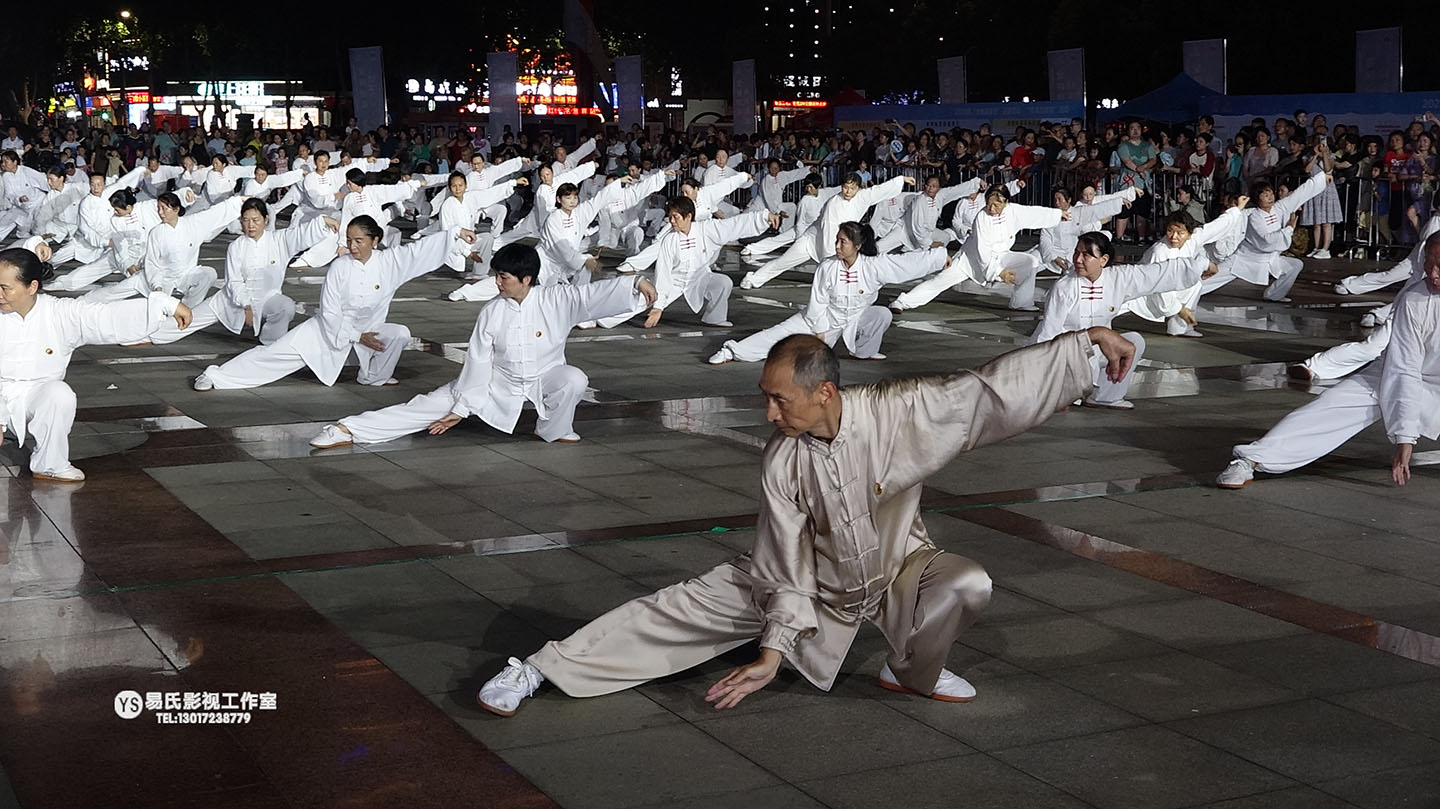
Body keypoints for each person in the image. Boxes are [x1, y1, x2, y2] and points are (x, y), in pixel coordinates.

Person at [474, 324, 1138, 717]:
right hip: (804, 584)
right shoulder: (781, 461)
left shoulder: (899, 410)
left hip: (894, 566)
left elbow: (992, 393)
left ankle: (909, 671)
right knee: (671, 609)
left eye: (777, 399)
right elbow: (784, 563)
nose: (768, 413)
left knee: (969, 584)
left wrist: (1083, 347)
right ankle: (540, 669)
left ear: (824, 391)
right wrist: (772, 652)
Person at [308, 243, 658, 449]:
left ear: (527, 279)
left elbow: (593, 294)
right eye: (496, 276)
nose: (497, 282)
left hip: (542, 377)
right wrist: (462, 408)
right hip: (494, 381)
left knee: (574, 379)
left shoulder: (556, 299)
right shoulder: (492, 311)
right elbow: (476, 364)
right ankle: (348, 428)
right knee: (428, 407)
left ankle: (554, 429)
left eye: (503, 277)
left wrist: (638, 282)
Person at [1217, 231, 1440, 489]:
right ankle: (1251, 460)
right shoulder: (1415, 300)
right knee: (1331, 407)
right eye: (1428, 264)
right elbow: (1405, 368)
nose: (1433, 274)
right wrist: (1405, 439)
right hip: (1398, 374)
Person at [191, 216, 475, 392]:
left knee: (399, 333)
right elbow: (328, 313)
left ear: (375, 241)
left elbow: (419, 250)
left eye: (359, 241)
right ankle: (217, 376)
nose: (352, 246)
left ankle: (374, 377)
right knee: (271, 357)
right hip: (325, 333)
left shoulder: (391, 263)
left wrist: (455, 234)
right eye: (349, 240)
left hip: (368, 334)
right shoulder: (339, 267)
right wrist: (354, 335)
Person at [0, 245, 192, 482]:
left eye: (5, 288)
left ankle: (50, 464)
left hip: (37, 391)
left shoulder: (59, 312)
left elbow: (106, 317)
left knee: (60, 394)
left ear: (32, 287)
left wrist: (165, 305)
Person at [709, 222, 951, 364]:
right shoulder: (828, 266)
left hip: (853, 319)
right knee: (777, 337)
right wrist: (822, 331)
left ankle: (864, 352)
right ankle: (732, 351)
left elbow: (906, 263)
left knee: (882, 315)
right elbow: (817, 303)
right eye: (837, 240)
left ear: (857, 246)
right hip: (819, 320)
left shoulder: (873, 266)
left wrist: (940, 257)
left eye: (842, 242)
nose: (836, 246)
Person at [1031, 231, 1210, 408]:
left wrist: (1202, 264)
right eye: (1076, 253)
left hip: (1099, 349)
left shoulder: (1118, 278)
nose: (1078, 260)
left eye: (1086, 255)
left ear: (1103, 260)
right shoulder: (1064, 287)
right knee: (1063, 398)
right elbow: (1048, 334)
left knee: (1134, 341)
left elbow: (1156, 273)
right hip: (1064, 353)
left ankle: (1105, 396)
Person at [147, 199, 339, 346]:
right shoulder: (236, 246)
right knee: (190, 320)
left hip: (267, 298)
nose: (251, 225)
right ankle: (152, 333)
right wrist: (246, 306)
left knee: (285, 306)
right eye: (246, 220)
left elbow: (301, 234)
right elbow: (234, 282)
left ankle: (271, 344)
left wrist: (323, 221)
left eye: (255, 220)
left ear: (266, 220)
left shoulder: (279, 240)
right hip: (231, 301)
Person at [891, 183, 1061, 312]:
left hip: (1001, 256)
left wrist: (1059, 215)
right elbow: (983, 250)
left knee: (1030, 262)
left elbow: (1036, 213)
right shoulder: (982, 217)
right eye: (989, 203)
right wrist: (998, 272)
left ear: (1006, 202)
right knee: (939, 281)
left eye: (997, 205)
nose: (992, 208)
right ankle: (902, 302)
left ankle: (1022, 302)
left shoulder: (1014, 211)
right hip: (970, 259)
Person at [740, 173, 914, 290]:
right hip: (814, 239)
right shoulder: (833, 202)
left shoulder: (863, 196)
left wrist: (901, 179)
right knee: (783, 262)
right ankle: (753, 278)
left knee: (844, 272)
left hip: (838, 243)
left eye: (852, 188)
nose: (847, 191)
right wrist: (831, 253)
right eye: (845, 187)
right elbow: (828, 230)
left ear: (858, 188)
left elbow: (880, 190)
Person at [83, 193, 245, 308]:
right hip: (159, 277)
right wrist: (157, 286)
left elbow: (215, 213)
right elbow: (152, 263)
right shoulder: (157, 232)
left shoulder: (193, 223)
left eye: (164, 208)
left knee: (209, 274)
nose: (160, 213)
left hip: (185, 274)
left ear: (175, 209)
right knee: (115, 292)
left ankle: (185, 309)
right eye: (158, 209)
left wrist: (238, 201)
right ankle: (82, 302)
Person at [1200, 160, 1330, 302]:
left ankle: (1274, 295)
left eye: (1270, 194)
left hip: (1270, 259)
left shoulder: (1280, 207)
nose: (1270, 197)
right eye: (1265, 195)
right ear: (1257, 198)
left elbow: (1300, 194)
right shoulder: (1254, 216)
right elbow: (1267, 239)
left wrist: (1322, 179)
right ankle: (1185, 294)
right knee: (1214, 278)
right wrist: (1288, 229)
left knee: (1295, 265)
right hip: (1245, 258)